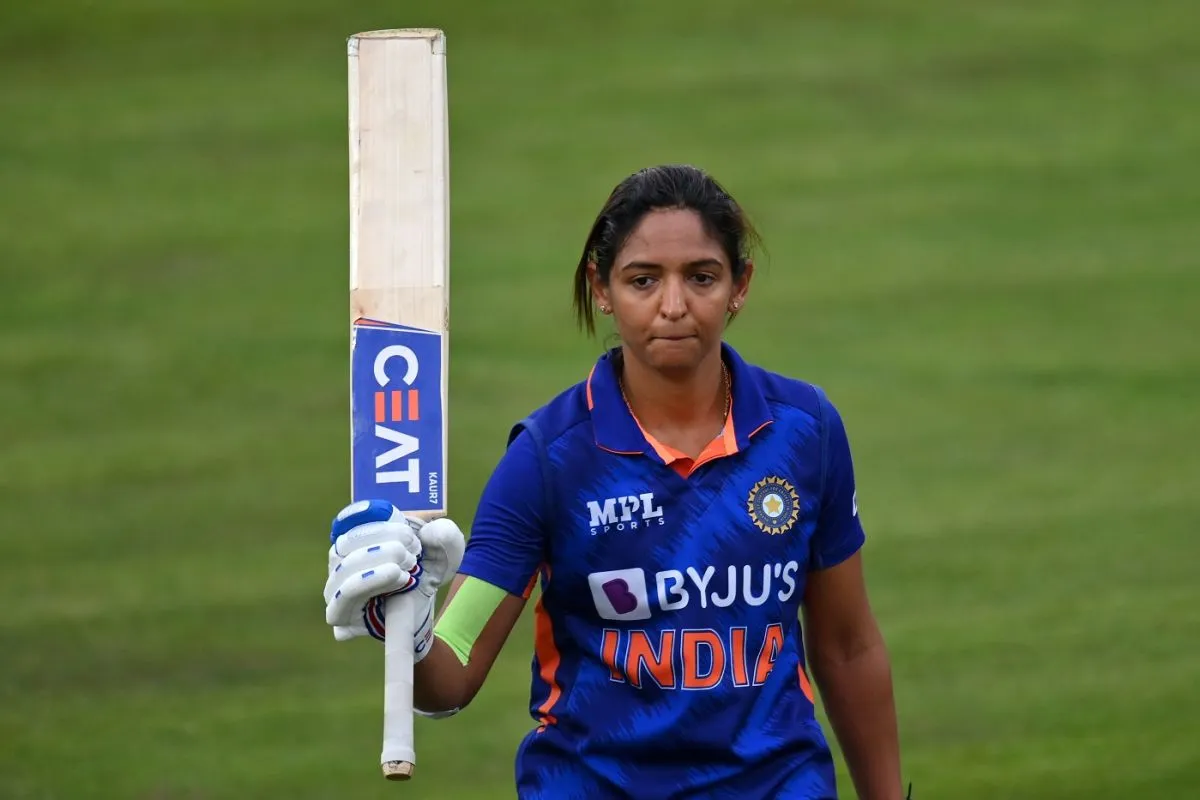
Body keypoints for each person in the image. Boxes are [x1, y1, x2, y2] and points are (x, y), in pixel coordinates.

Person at [324, 164, 906, 799]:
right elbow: (451, 679)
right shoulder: (548, 459)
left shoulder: (804, 432)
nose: (674, 305)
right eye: (643, 280)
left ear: (740, 286)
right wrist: (404, 625)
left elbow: (848, 647)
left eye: (702, 277)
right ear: (603, 288)